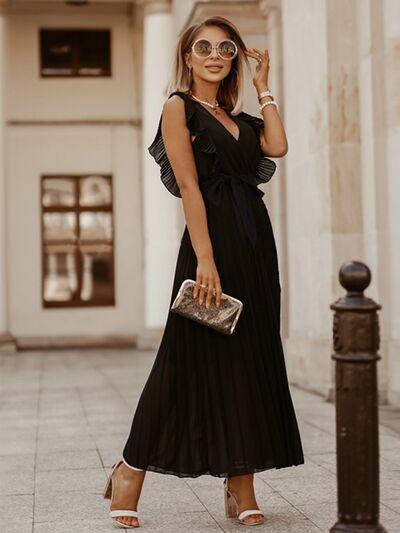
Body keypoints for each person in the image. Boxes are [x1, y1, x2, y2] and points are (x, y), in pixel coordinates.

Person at [103, 15, 304, 529]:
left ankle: (241, 485)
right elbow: (190, 188)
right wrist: (206, 258)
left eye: (226, 48)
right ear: (188, 57)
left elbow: (277, 146)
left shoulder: (237, 115)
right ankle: (129, 471)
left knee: (251, 359)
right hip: (209, 248)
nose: (215, 55)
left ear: (235, 57)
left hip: (255, 247)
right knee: (184, 359)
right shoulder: (179, 107)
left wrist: (264, 89)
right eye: (204, 47)